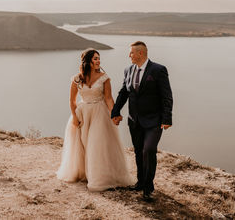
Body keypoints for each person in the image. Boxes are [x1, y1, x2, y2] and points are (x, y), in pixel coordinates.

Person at [56, 48, 133, 191]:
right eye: (95, 58)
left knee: (96, 145)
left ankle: (99, 178)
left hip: (99, 113)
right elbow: (72, 100)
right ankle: (84, 173)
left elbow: (109, 99)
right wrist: (74, 117)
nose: (98, 61)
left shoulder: (105, 78)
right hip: (82, 113)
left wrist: (114, 114)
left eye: (99, 58)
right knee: (82, 145)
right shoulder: (77, 79)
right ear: (88, 61)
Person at [111, 41, 173, 201]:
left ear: (141, 53)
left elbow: (167, 95)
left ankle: (148, 187)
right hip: (134, 120)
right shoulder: (128, 70)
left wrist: (167, 118)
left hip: (154, 120)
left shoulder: (158, 70)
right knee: (138, 151)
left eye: (131, 52)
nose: (129, 55)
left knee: (149, 150)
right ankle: (140, 182)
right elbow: (124, 92)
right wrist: (115, 111)